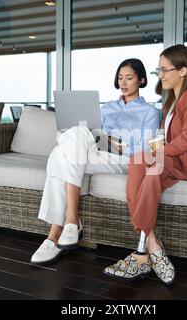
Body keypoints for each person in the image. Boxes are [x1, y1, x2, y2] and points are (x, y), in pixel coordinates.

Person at [103, 45, 187, 285]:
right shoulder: (172, 101)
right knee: (138, 160)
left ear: (183, 71)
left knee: (150, 167)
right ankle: (151, 247)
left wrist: (157, 151)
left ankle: (143, 254)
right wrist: (154, 147)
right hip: (183, 161)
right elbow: (169, 139)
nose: (160, 75)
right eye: (158, 70)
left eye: (164, 70)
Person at [30, 58, 160, 265]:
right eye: (120, 78)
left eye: (129, 78)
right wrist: (100, 138)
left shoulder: (150, 112)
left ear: (141, 80)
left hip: (125, 159)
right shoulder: (107, 107)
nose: (123, 83)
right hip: (97, 151)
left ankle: (56, 233)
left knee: (60, 154)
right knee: (78, 133)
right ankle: (69, 224)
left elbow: (144, 150)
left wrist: (118, 144)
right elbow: (93, 134)